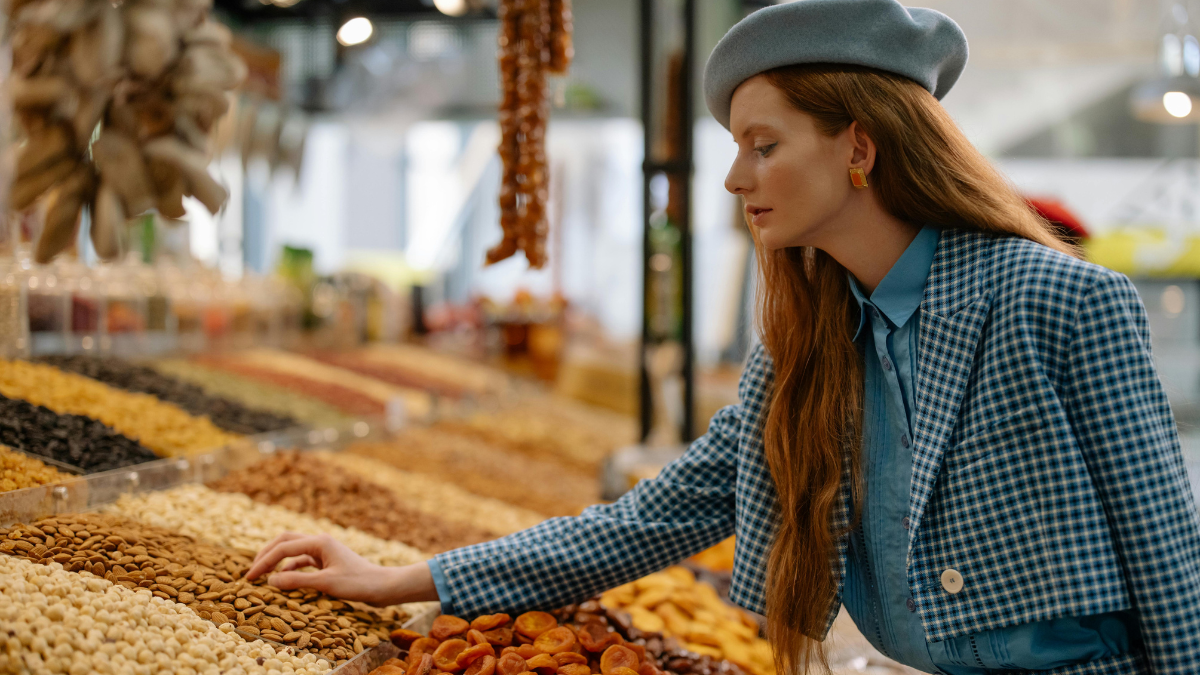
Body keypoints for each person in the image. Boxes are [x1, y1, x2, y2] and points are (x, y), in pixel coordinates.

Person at [247, 1, 1200, 673]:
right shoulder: (807, 350)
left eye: (764, 143)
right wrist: (404, 578)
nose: (737, 178)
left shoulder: (1060, 301)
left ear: (859, 147)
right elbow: (653, 517)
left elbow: (1170, 558)